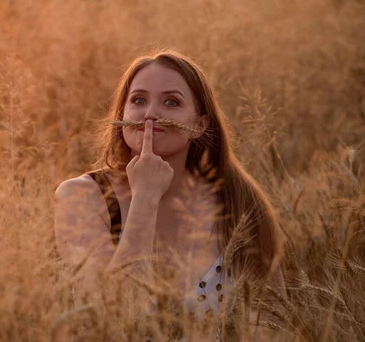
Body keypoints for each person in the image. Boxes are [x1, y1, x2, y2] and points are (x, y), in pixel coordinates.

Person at [53, 50, 287, 338]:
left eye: (171, 102)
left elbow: (272, 328)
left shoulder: (239, 202)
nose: (151, 113)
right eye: (138, 100)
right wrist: (145, 198)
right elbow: (112, 320)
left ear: (200, 124)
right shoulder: (83, 197)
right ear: (122, 116)